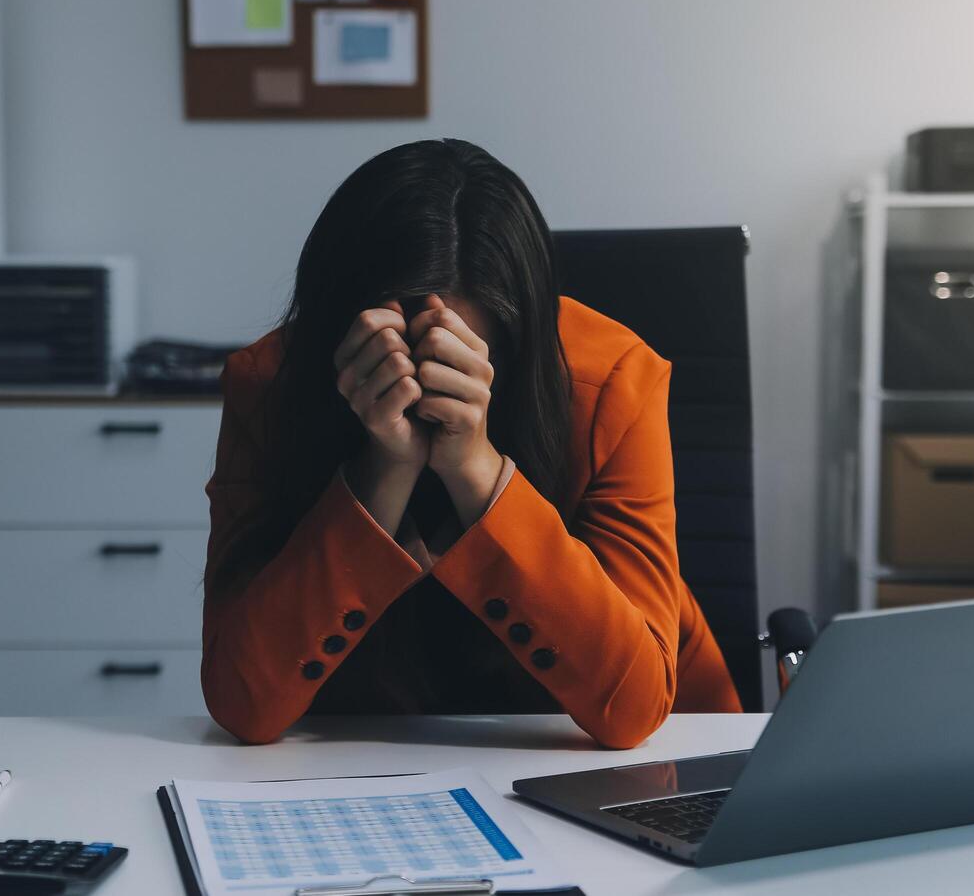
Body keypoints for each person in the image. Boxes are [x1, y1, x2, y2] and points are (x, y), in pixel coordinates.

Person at [202, 138, 741, 748]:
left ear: (524, 338)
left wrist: (476, 469)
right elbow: (242, 703)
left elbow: (634, 709)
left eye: (468, 361)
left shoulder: (614, 384)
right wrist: (384, 470)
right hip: (368, 752)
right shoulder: (270, 386)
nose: (431, 393)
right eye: (397, 362)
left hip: (651, 747)